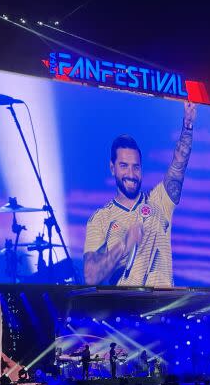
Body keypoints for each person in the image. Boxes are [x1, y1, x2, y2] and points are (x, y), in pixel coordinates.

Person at [83, 102, 197, 286]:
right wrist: (123, 246)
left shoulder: (159, 201)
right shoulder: (100, 219)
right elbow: (90, 277)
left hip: (165, 307)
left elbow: (179, 164)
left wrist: (188, 126)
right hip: (125, 309)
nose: (131, 174)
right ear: (112, 168)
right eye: (124, 166)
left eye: (136, 167)